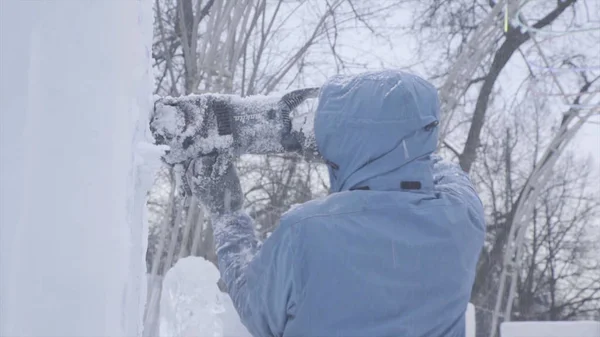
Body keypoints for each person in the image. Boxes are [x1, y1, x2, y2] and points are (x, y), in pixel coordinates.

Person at [189, 70, 486, 337]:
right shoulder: (461, 219)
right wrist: (380, 140)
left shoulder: (304, 232)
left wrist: (226, 212)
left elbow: (256, 311)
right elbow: (434, 162)